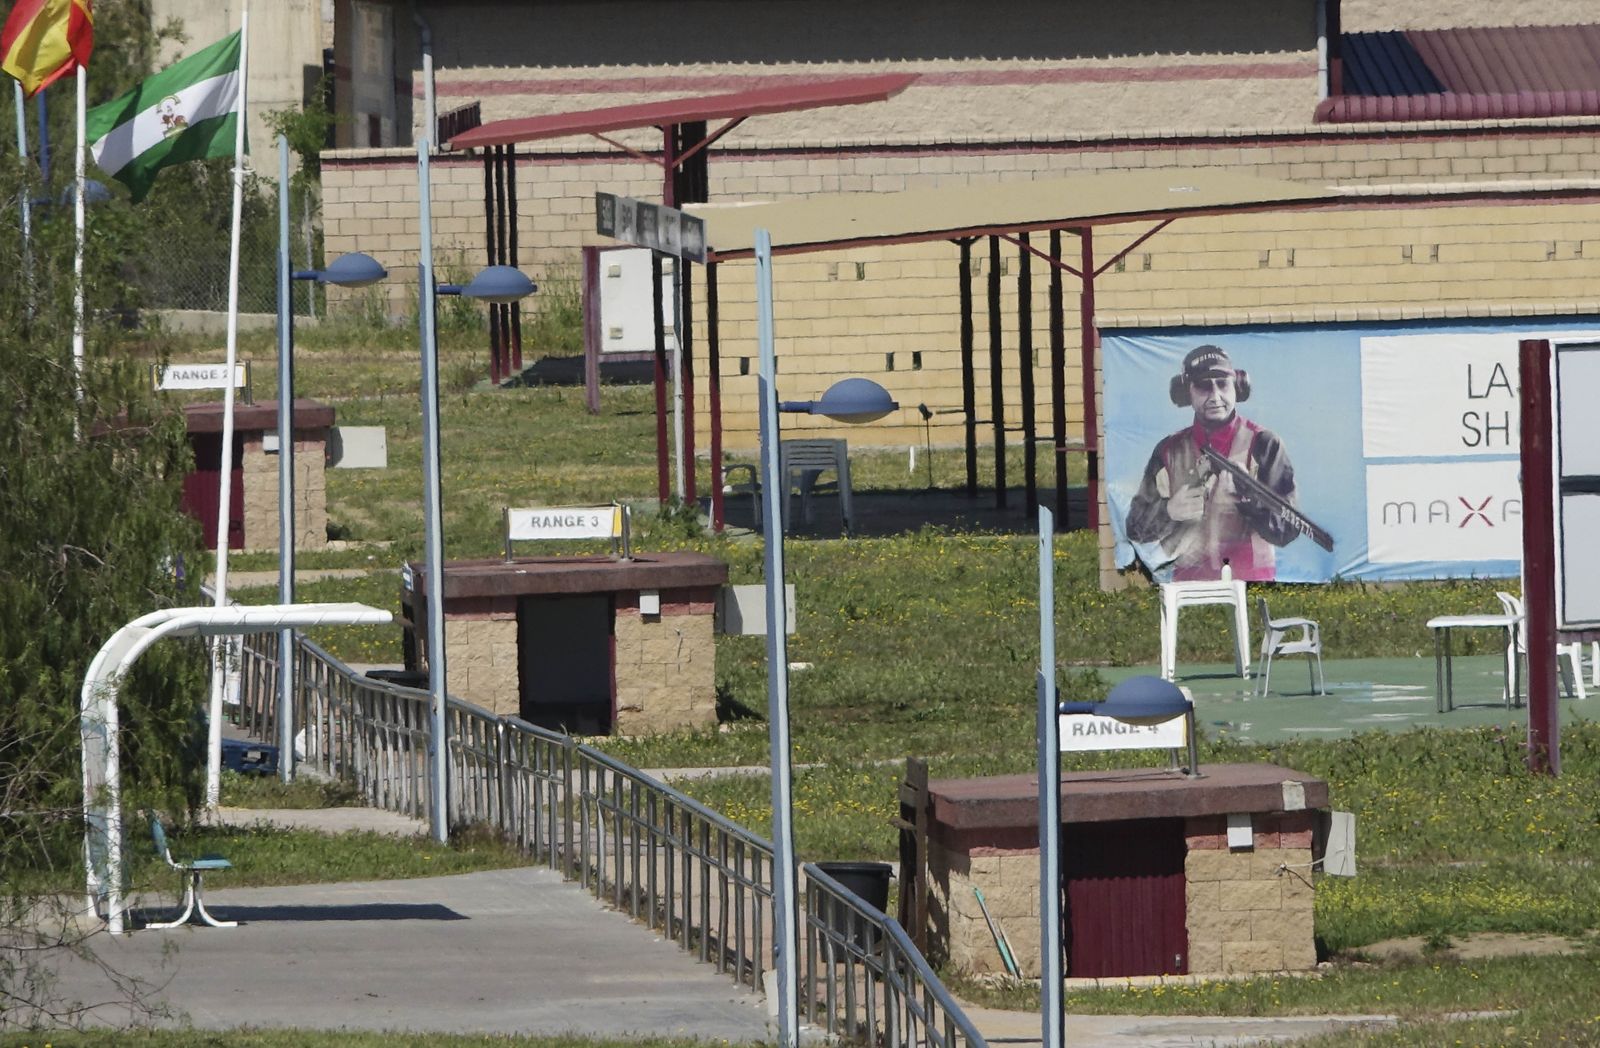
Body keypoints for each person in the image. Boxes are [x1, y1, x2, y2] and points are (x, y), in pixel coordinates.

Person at [1125, 345, 1301, 581]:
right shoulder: (1168, 450)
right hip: (1188, 582)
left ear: (1238, 386)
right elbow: (1135, 527)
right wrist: (1168, 511)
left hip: (1252, 582)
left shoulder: (1265, 444)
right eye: (1203, 386)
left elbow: (1288, 529)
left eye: (1223, 384)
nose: (1215, 396)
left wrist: (1251, 500)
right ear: (1186, 392)